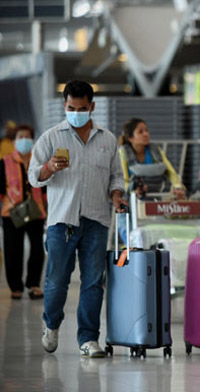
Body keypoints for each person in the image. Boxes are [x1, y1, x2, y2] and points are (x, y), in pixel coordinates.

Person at [28, 80, 126, 358]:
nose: (76, 112)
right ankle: (52, 323)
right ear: (64, 105)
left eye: (82, 108)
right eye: (71, 108)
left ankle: (88, 338)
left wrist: (117, 195)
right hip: (62, 221)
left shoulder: (107, 139)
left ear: (92, 107)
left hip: (97, 219)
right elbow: (33, 176)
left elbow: (116, 177)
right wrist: (49, 168)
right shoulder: (50, 138)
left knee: (93, 281)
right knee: (57, 281)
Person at [117, 118, 186, 242]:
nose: (146, 134)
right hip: (129, 203)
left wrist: (178, 187)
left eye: (147, 130)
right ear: (130, 137)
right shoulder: (123, 153)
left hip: (153, 201)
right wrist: (133, 190)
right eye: (140, 131)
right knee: (133, 240)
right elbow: (122, 179)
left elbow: (171, 172)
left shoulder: (155, 150)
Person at [0, 124, 47, 300]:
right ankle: (15, 287)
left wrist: (49, 209)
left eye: (27, 137)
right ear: (13, 141)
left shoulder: (39, 161)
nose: (24, 140)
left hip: (36, 212)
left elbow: (45, 189)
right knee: (13, 250)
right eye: (20, 137)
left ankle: (33, 284)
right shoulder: (4, 162)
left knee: (37, 249)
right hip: (11, 213)